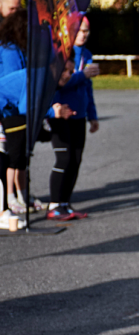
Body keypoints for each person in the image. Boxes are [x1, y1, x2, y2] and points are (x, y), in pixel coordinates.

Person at [0, 63, 76, 227]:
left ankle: (9, 206)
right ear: (54, 67)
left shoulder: (46, 78)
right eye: (66, 70)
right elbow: (25, 107)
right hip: (5, 112)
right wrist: (52, 112)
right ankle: (4, 211)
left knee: (10, 159)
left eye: (72, 71)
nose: (69, 74)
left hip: (6, 112)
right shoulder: (39, 78)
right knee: (4, 162)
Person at [47, 17, 100, 221]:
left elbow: (88, 88)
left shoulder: (86, 54)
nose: (83, 35)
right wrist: (82, 75)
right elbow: (59, 84)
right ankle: (54, 204)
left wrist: (92, 115)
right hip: (62, 113)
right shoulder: (60, 55)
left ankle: (65, 203)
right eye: (79, 31)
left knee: (76, 159)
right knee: (64, 158)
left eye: (86, 31)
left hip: (80, 114)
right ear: (69, 32)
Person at [0, 7, 30, 214]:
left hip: (12, 110)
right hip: (8, 112)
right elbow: (14, 85)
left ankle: (19, 196)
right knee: (9, 157)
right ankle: (7, 202)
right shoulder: (10, 50)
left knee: (18, 156)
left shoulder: (17, 48)